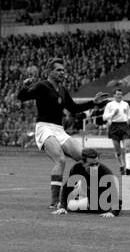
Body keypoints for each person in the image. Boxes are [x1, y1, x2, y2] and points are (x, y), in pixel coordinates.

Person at [17, 59, 108, 214]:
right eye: (58, 70)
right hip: (44, 127)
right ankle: (55, 202)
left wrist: (94, 102)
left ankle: (90, 192)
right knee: (60, 159)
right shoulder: (42, 86)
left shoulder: (62, 90)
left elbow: (73, 108)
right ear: (49, 72)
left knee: (86, 158)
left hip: (59, 130)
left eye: (63, 70)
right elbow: (22, 97)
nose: (62, 73)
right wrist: (24, 85)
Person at [103, 83, 130, 176]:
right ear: (114, 95)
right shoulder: (110, 105)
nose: (120, 96)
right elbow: (104, 117)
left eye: (121, 94)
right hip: (114, 127)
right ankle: (121, 165)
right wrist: (113, 113)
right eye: (118, 94)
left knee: (127, 148)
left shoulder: (126, 104)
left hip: (124, 126)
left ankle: (128, 170)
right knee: (118, 151)